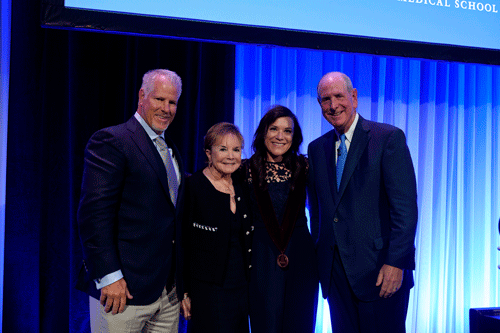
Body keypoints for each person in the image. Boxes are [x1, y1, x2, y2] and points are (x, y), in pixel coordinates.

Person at [307, 72, 418, 333]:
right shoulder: (317, 148)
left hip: (380, 273)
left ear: (353, 97)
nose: (333, 106)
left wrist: (397, 262)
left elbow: (405, 208)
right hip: (336, 278)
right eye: (325, 100)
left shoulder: (387, 138)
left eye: (338, 96)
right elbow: (318, 213)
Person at [76, 69, 186, 332]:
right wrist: (109, 277)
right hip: (121, 293)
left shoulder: (169, 148)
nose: (166, 108)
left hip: (166, 295)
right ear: (141, 96)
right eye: (159, 99)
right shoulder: (112, 140)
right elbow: (93, 215)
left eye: (172, 102)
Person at [244, 105, 319, 332]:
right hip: (261, 258)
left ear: (294, 136)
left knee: (300, 321)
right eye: (274, 129)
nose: (280, 136)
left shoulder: (305, 167)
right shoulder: (244, 169)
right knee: (266, 321)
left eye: (287, 131)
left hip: (301, 257)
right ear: (263, 132)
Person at [181, 122, 253, 333]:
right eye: (223, 149)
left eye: (236, 149)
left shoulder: (242, 185)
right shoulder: (193, 186)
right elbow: (182, 242)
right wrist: (184, 292)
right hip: (207, 290)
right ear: (208, 153)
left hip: (241, 288)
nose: (230, 156)